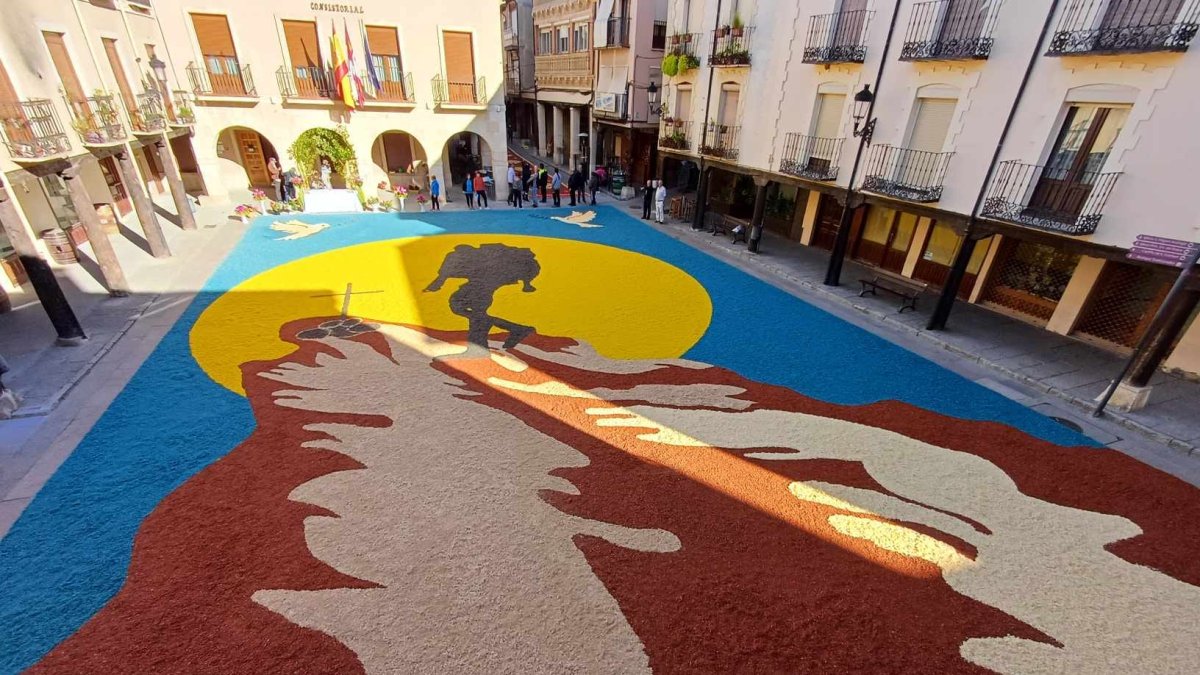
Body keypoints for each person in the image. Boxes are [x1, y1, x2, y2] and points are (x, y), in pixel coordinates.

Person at [424, 243, 541, 350]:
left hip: (484, 286)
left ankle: (479, 349)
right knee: (466, 308)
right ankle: (517, 329)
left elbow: (446, 273)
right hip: (480, 284)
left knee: (468, 308)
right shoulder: (471, 259)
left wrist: (526, 284)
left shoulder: (479, 259)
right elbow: (446, 273)